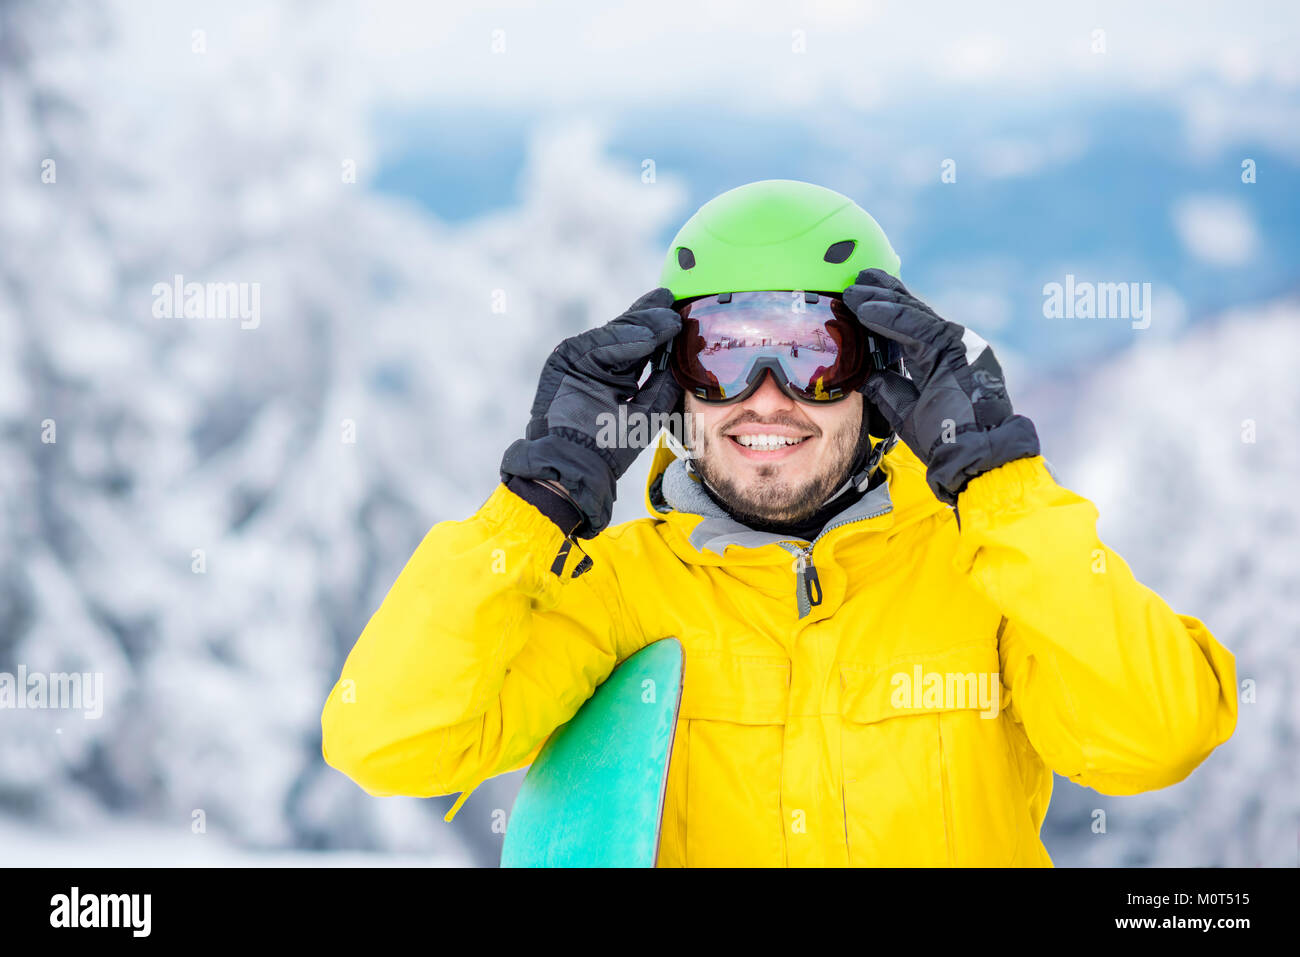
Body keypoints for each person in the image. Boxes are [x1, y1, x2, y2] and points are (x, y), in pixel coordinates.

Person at [321, 179, 1238, 867]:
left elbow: (1158, 736)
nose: (767, 400)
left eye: (811, 354)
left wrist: (999, 485)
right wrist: (536, 510)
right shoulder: (617, 594)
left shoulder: (986, 572)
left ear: (880, 372)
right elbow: (390, 742)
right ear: (675, 381)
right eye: (721, 355)